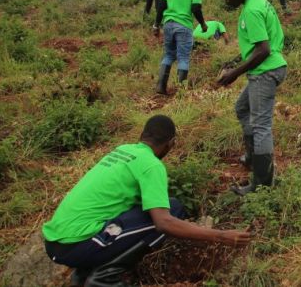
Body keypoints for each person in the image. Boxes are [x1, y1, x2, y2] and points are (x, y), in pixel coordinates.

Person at [42, 115, 251, 287]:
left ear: (142, 135)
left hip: (55, 241)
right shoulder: (151, 165)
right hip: (74, 245)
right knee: (172, 212)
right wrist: (221, 236)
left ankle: (83, 273)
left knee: (169, 206)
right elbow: (163, 223)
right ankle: (104, 278)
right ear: (171, 143)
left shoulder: (122, 150)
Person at [215, 0, 287, 195]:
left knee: (261, 126)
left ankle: (262, 184)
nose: (228, 2)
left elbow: (263, 50)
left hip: (265, 71)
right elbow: (258, 44)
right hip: (269, 67)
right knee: (242, 108)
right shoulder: (257, 0)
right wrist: (236, 61)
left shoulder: (251, 11)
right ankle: (252, 156)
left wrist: (235, 73)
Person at [154, 0, 207, 94]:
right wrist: (202, 24)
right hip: (184, 25)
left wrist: (156, 25)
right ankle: (181, 92)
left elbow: (161, 6)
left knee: (168, 55)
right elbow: (195, 8)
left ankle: (160, 86)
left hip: (168, 24)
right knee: (183, 57)